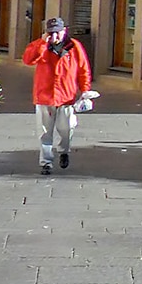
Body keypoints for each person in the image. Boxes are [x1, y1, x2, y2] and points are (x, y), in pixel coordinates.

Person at [21, 17, 93, 175]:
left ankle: (64, 151)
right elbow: (28, 60)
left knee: (66, 128)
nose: (55, 36)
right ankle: (46, 162)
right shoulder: (41, 46)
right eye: (51, 33)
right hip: (44, 96)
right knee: (45, 132)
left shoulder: (74, 46)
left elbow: (83, 69)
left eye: (57, 32)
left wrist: (85, 90)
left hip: (66, 97)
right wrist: (42, 43)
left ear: (64, 30)